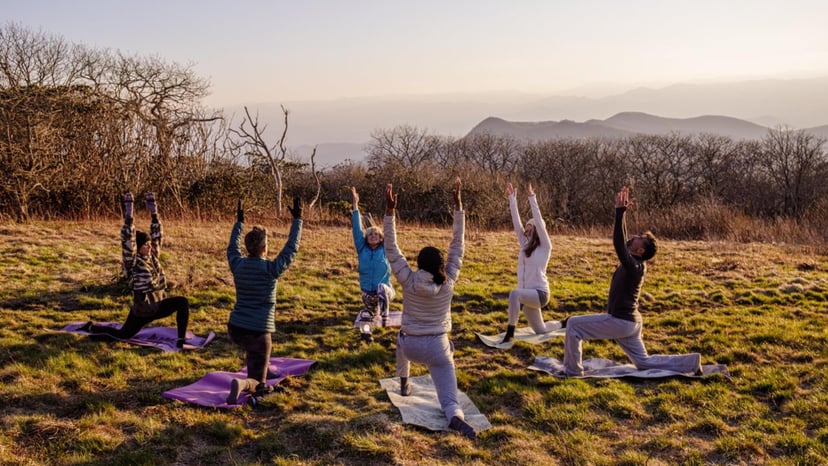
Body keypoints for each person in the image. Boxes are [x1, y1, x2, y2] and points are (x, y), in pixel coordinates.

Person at [562, 186, 702, 376]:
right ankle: (691, 362)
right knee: (643, 362)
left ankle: (572, 371)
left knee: (573, 325)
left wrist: (619, 212)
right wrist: (623, 214)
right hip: (631, 323)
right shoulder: (635, 263)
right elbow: (624, 242)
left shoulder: (634, 265)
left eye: (639, 238)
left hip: (621, 322)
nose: (635, 237)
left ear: (641, 250)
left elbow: (619, 244)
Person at [384, 178, 477, 440]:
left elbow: (391, 247)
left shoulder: (409, 279)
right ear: (441, 265)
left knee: (400, 338)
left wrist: (390, 212)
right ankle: (455, 417)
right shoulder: (449, 280)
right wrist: (458, 207)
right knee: (450, 398)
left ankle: (404, 383)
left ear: (418, 264)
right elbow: (458, 245)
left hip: (411, 346)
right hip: (438, 347)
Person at [82, 192, 190, 348]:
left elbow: (157, 236)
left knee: (182, 302)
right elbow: (128, 240)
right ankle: (92, 327)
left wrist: (154, 212)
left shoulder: (153, 257)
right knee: (122, 335)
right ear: (137, 248)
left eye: (149, 244)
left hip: (158, 304)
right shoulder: (132, 263)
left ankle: (181, 340)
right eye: (145, 245)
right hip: (143, 310)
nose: (149, 247)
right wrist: (129, 212)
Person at [225, 197, 303, 404]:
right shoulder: (271, 269)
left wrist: (239, 222)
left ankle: (258, 370)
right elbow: (291, 249)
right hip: (258, 331)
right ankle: (243, 384)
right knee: (259, 383)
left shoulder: (237, 264)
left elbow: (232, 247)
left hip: (235, 328)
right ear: (264, 248)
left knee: (254, 355)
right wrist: (298, 220)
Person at [500, 182, 560, 343]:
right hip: (528, 295)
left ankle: (510, 334)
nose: (525, 231)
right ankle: (564, 323)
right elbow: (516, 222)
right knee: (540, 330)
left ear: (537, 230)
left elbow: (539, 221)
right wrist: (512, 198)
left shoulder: (545, 246)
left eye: (529, 228)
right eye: (526, 228)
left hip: (540, 294)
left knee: (514, 294)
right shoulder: (525, 244)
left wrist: (532, 198)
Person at [351, 186, 395, 340]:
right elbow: (357, 230)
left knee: (381, 288)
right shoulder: (362, 249)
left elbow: (390, 231)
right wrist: (355, 205)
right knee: (365, 315)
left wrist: (390, 209)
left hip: (385, 292)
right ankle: (366, 334)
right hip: (368, 295)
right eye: (370, 234)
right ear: (366, 238)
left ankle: (385, 314)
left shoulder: (385, 249)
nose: (373, 236)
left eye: (376, 234)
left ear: (381, 238)